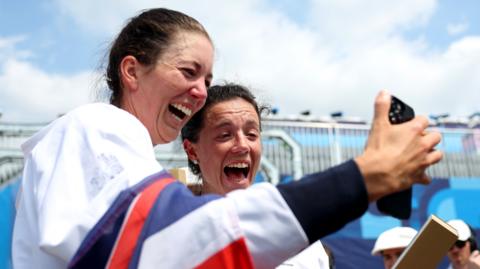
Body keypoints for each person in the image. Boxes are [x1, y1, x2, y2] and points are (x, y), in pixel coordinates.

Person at [11, 7, 443, 269]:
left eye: (207, 78)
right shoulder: (92, 128)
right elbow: (167, 243)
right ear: (132, 71)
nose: (200, 91)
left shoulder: (129, 153)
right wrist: (361, 177)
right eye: (188, 71)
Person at [181, 83, 330, 268]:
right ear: (192, 151)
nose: (243, 145)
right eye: (225, 135)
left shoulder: (294, 229)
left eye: (252, 134)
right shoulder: (171, 231)